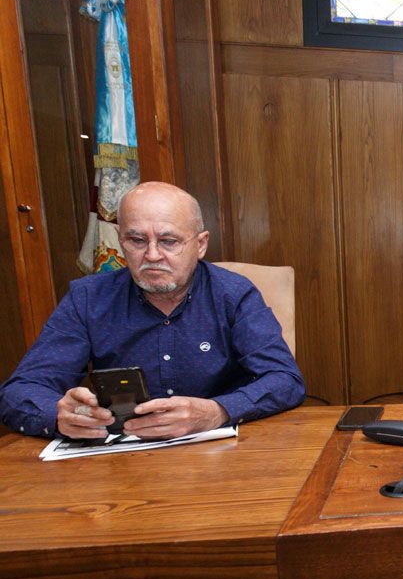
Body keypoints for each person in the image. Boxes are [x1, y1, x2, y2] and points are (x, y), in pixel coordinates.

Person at [0, 182, 305, 439]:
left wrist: (217, 411)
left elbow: (284, 379)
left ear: (200, 245)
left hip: (218, 455)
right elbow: (20, 390)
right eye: (136, 240)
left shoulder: (233, 294)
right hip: (120, 464)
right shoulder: (88, 298)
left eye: (169, 241)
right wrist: (58, 416)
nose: (152, 255)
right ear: (121, 241)